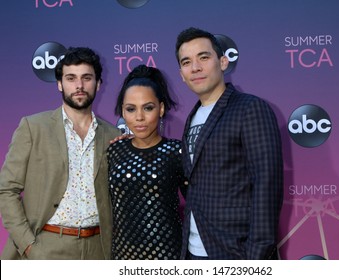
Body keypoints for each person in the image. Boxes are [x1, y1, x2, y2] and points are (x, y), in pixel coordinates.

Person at [0, 47, 121, 260]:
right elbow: (6, 190)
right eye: (71, 78)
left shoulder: (113, 135)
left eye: (87, 77)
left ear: (98, 83)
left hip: (98, 250)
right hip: (46, 245)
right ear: (59, 84)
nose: (79, 85)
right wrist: (29, 245)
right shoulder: (33, 127)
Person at [175, 27, 284, 260]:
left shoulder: (250, 109)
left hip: (236, 253)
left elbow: (267, 186)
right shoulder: (192, 117)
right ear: (182, 74)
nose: (195, 67)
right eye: (187, 62)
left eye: (203, 57)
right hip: (194, 251)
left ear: (223, 62)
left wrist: (256, 258)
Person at [107, 64, 188, 260]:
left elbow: (199, 205)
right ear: (123, 113)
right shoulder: (114, 151)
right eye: (131, 109)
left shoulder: (177, 151)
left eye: (148, 108)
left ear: (160, 109)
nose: (139, 117)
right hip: (122, 256)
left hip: (167, 256)